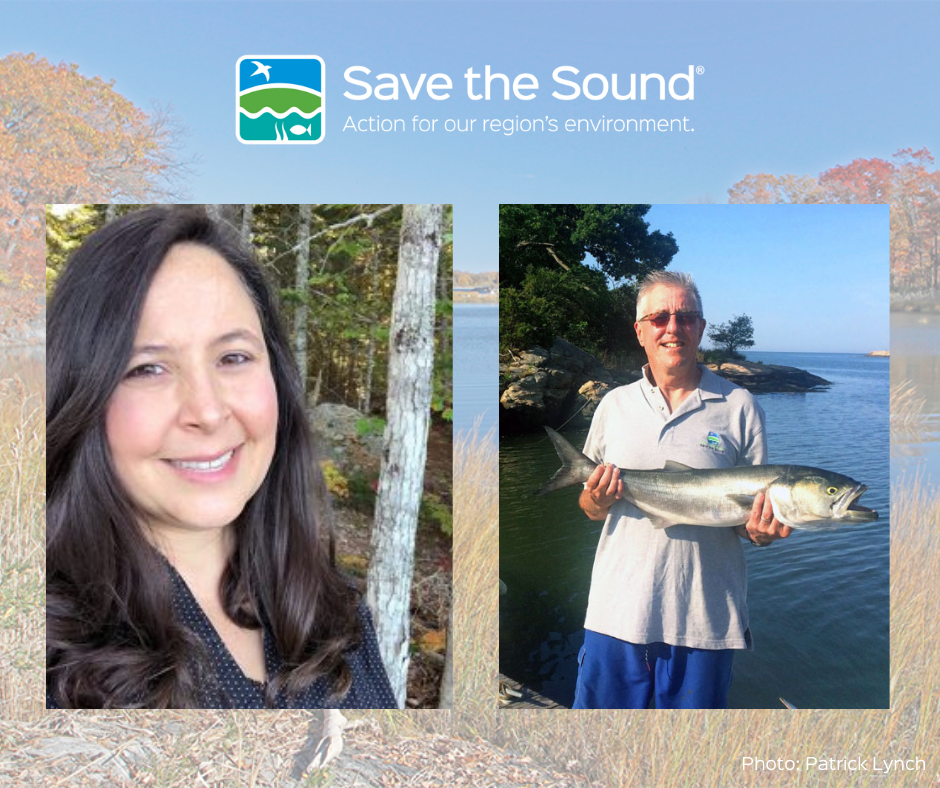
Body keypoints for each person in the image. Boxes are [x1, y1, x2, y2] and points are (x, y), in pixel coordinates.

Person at [46, 206, 397, 709]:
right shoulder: (43, 660)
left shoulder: (333, 608)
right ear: (83, 392)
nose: (207, 412)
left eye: (233, 358)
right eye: (147, 368)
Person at [571, 270, 791, 710]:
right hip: (616, 615)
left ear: (701, 328)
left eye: (687, 317)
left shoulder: (741, 406)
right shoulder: (613, 405)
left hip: (706, 623)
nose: (673, 328)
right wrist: (597, 497)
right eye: (660, 318)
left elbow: (748, 525)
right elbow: (590, 509)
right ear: (640, 331)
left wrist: (761, 531)